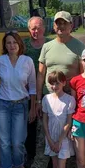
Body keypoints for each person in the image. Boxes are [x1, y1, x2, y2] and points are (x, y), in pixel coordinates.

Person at [23, 11, 85, 168]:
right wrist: (37, 100)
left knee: (70, 136)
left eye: (64, 23)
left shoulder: (79, 47)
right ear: (54, 26)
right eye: (58, 23)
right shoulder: (47, 46)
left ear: (71, 25)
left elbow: (82, 76)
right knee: (44, 134)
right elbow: (40, 74)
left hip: (69, 99)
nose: (61, 26)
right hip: (48, 99)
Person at [0, 32, 37, 168]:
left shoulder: (27, 61)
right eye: (8, 43)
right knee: (4, 142)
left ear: (19, 44)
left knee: (18, 141)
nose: (11, 45)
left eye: (14, 42)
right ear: (4, 46)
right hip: (2, 105)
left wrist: (33, 107)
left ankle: (19, 165)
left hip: (21, 105)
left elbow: (32, 85)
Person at [42, 71, 76, 168]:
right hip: (51, 136)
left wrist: (59, 141)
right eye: (52, 84)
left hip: (63, 138)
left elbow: (68, 121)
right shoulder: (47, 99)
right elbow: (45, 120)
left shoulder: (69, 99)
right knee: (55, 167)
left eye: (57, 83)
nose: (54, 86)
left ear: (63, 83)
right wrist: (50, 140)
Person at [23, 16, 52, 160]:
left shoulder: (51, 44)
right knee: (30, 123)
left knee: (46, 122)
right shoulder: (23, 45)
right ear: (29, 29)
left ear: (44, 28)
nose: (36, 31)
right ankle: (31, 155)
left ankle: (47, 156)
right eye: (33, 28)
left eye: (39, 27)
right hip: (27, 89)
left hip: (46, 89)